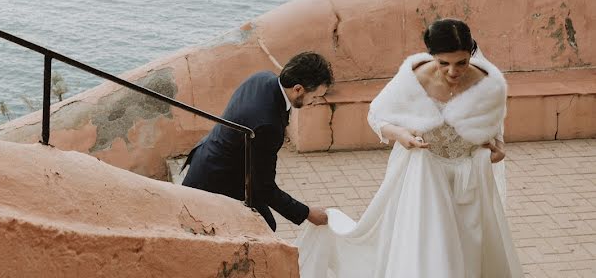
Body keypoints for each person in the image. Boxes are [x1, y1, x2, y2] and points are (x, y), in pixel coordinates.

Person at [299, 18, 523, 277]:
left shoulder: (486, 81)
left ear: (471, 55)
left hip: (470, 176)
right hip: (426, 172)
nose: (453, 71)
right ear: (432, 58)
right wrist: (402, 135)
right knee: (433, 247)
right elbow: (377, 115)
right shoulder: (415, 78)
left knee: (470, 244)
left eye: (461, 62)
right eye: (444, 63)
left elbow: (494, 126)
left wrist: (498, 149)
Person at [182, 51, 334, 231]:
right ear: (298, 89)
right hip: (217, 180)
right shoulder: (268, 125)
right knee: (265, 227)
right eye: (315, 96)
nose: (314, 102)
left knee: (267, 224)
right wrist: (307, 213)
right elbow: (264, 187)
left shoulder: (263, 78)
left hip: (209, 158)